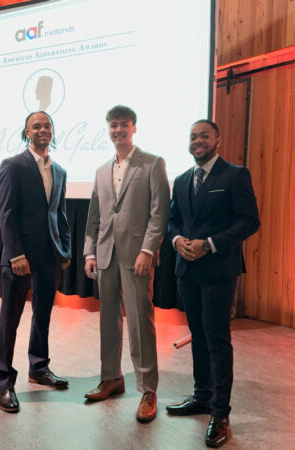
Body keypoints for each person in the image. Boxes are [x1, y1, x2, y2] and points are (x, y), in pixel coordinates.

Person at [166, 120, 260, 447]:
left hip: (219, 270)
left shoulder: (235, 175)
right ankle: (202, 397)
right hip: (187, 272)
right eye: (193, 136)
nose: (198, 141)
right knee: (199, 338)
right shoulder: (180, 181)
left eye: (204, 135)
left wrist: (208, 244)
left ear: (218, 138)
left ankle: (220, 413)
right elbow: (173, 221)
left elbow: (249, 221)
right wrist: (177, 239)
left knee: (218, 341)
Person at [84, 105, 170, 422]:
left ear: (134, 127)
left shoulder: (152, 164)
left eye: (124, 124)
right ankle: (111, 378)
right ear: (108, 129)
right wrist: (89, 252)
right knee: (109, 321)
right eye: (113, 125)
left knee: (139, 323)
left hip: (137, 257)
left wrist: (148, 250)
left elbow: (159, 213)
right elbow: (95, 217)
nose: (118, 130)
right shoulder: (100, 170)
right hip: (105, 255)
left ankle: (148, 390)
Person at [0, 111, 72, 413]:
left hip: (50, 255)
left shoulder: (60, 171)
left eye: (47, 125)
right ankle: (3, 381)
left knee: (43, 315)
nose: (43, 129)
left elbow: (60, 215)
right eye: (36, 126)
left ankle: (38, 367)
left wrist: (63, 252)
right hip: (20, 257)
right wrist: (15, 254)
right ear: (26, 132)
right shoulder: (13, 166)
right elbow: (6, 214)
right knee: (9, 320)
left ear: (53, 132)